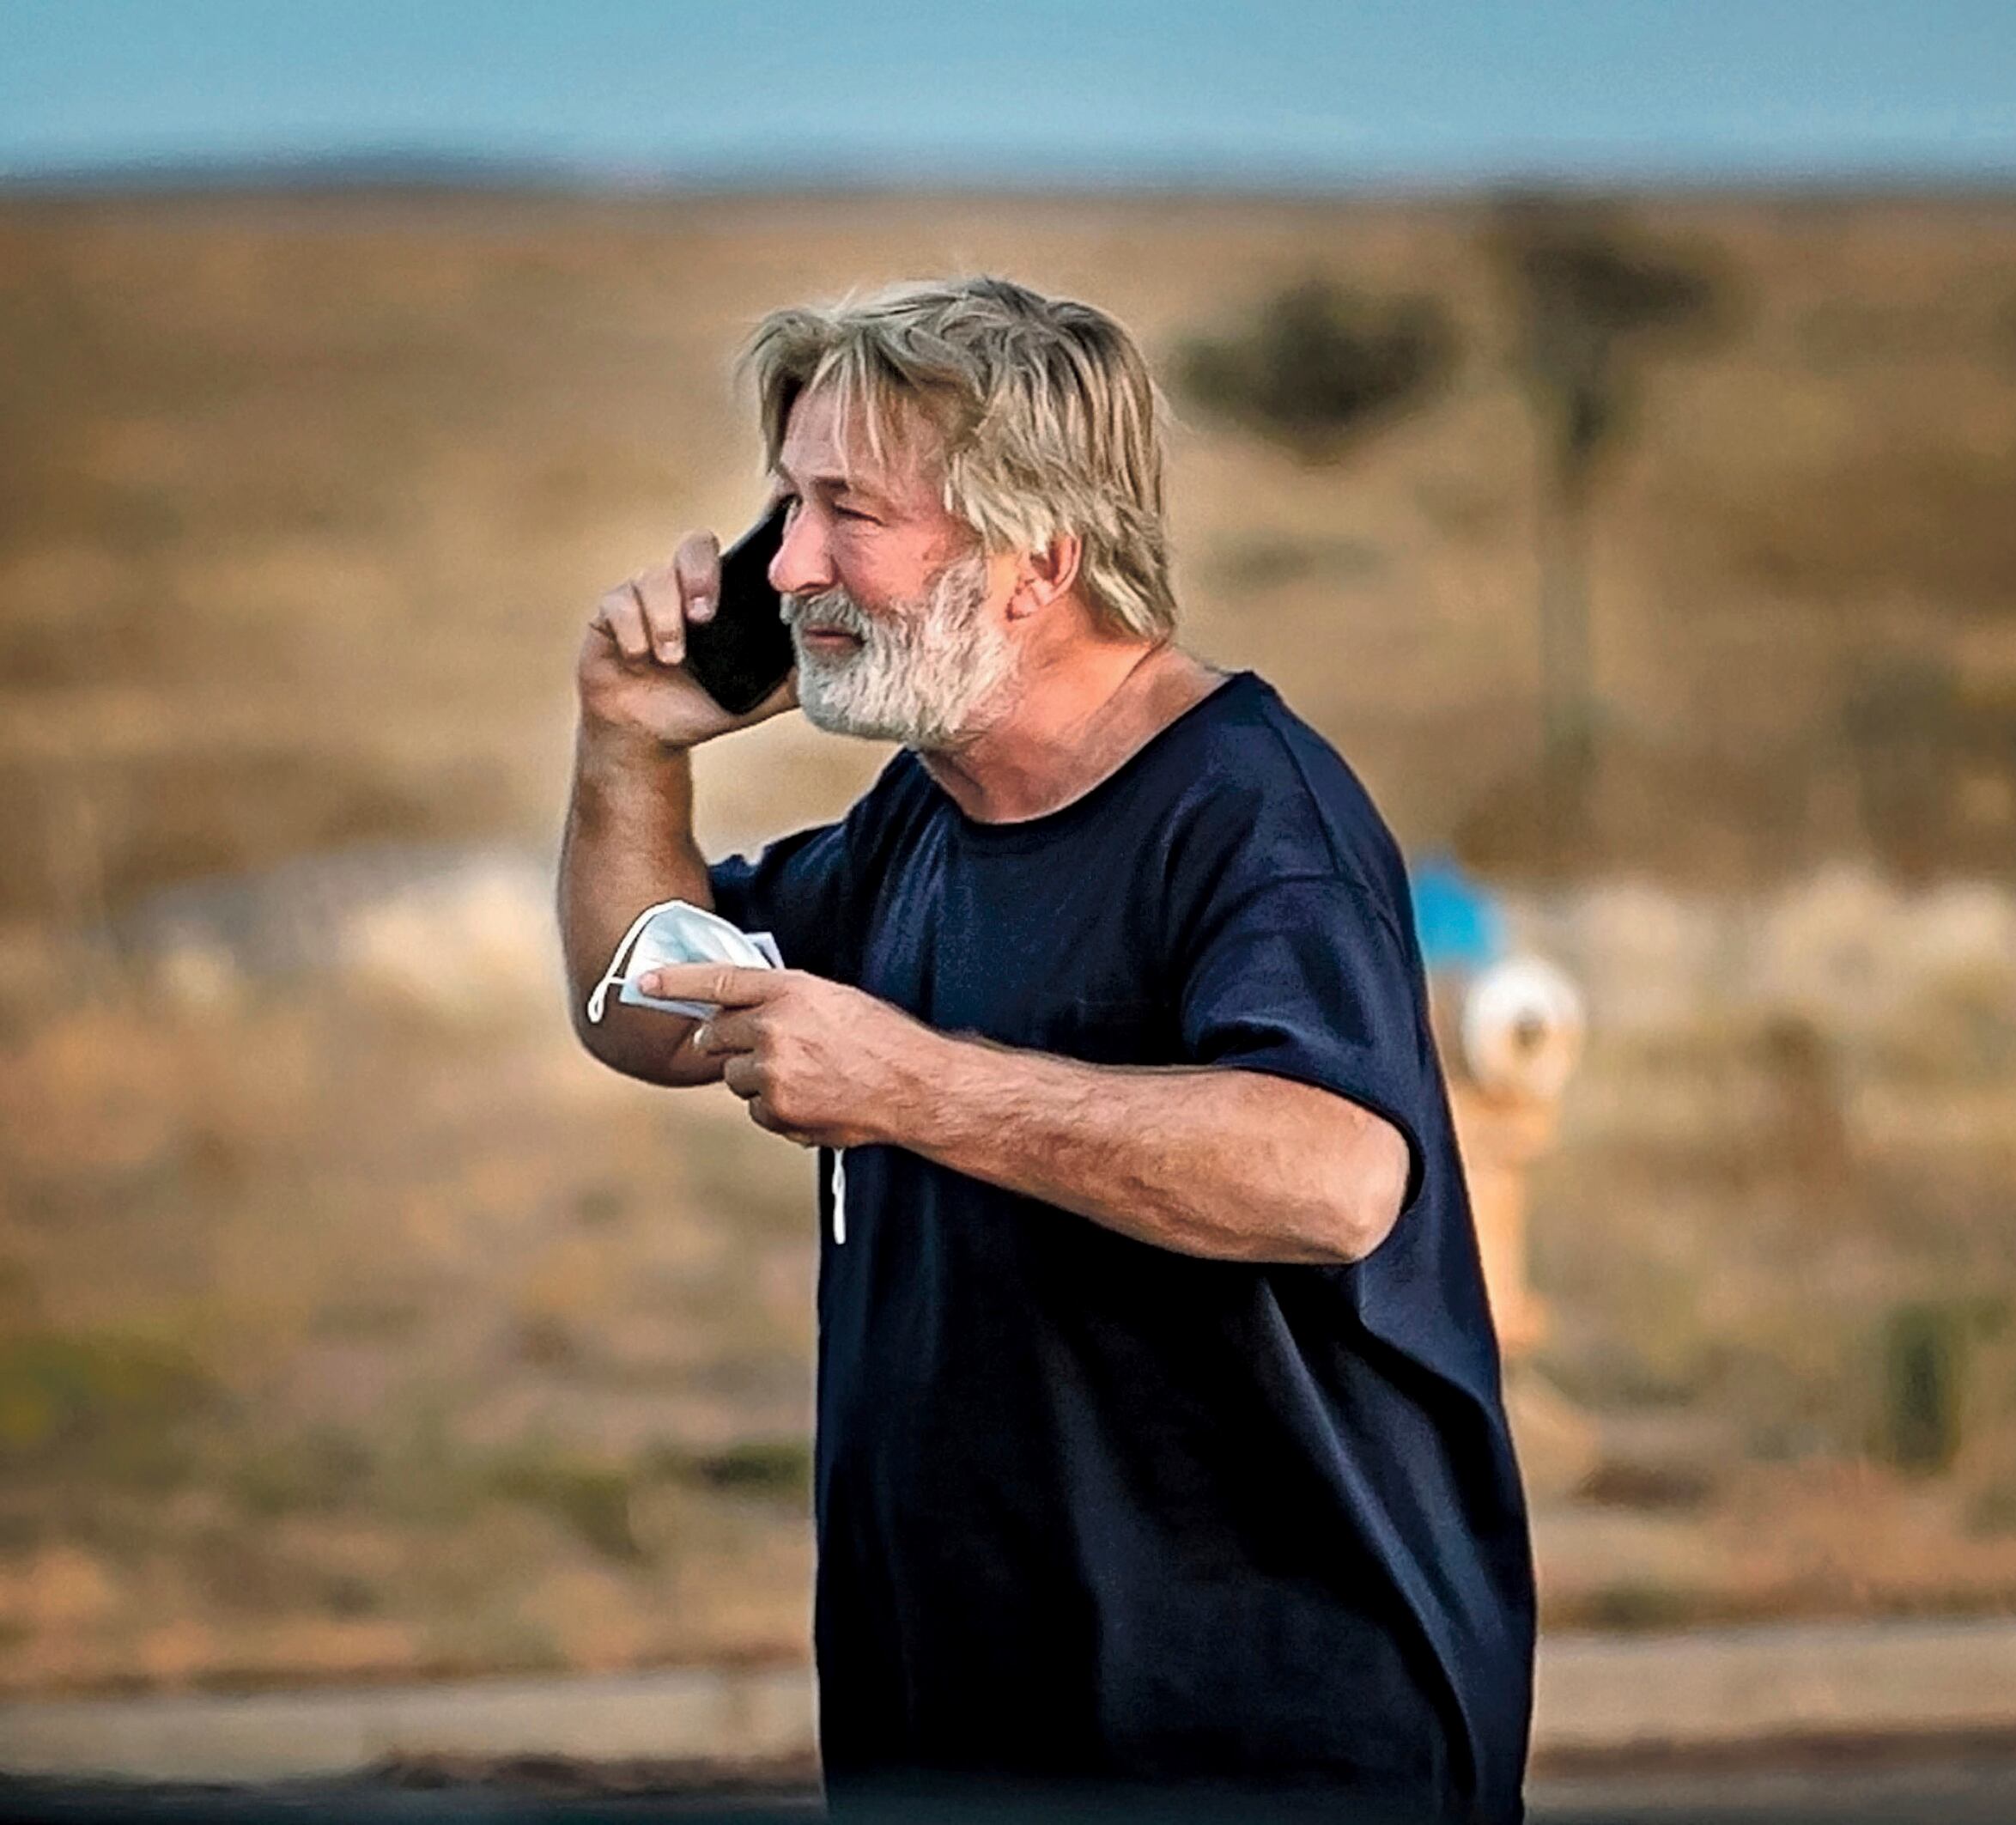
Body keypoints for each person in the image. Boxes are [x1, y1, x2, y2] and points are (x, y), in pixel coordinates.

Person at [556, 276, 1533, 1822]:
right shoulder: (924, 816)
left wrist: (911, 1084)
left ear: (1037, 560)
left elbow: (1336, 1175)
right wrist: (628, 742)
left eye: (846, 513)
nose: (790, 564)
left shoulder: (1249, 813)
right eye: (784, 508)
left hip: (1259, 1743)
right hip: (956, 1721)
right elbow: (645, 1003)